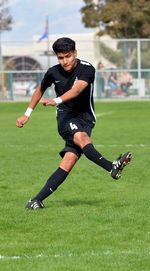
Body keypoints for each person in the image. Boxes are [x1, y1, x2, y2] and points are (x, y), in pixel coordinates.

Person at [16, 37, 132, 210]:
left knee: (68, 162)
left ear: (75, 53)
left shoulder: (87, 69)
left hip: (86, 118)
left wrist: (56, 100)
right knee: (83, 138)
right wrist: (27, 114)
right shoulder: (53, 72)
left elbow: (77, 90)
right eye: (60, 58)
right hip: (66, 117)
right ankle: (112, 167)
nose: (64, 61)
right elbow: (40, 90)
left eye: (68, 56)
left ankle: (36, 201)